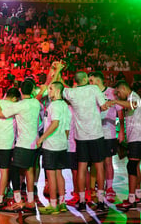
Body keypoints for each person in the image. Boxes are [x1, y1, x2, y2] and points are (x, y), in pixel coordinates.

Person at [58, 68, 109, 211]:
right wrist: (108, 104)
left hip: (80, 137)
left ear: (76, 81)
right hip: (96, 135)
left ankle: (81, 201)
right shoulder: (93, 89)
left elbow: (62, 86)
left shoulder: (71, 92)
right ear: (86, 79)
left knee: (81, 167)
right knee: (99, 167)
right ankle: (100, 201)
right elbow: (104, 106)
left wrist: (58, 72)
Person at [0, 80, 41, 213]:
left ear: (20, 90)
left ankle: (19, 200)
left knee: (13, 170)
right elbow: (39, 96)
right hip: (34, 144)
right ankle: (30, 201)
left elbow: (1, 114)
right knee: (29, 170)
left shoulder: (19, 106)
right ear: (32, 91)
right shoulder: (36, 103)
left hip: (23, 144)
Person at [110, 80, 141, 211]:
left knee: (131, 166)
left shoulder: (134, 97)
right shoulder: (130, 98)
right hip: (135, 138)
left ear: (124, 88)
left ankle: (131, 199)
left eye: (118, 93)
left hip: (138, 138)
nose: (118, 95)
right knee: (135, 166)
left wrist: (115, 102)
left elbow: (133, 105)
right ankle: (138, 195)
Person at [36, 82, 71, 214]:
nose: (48, 91)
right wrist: (63, 140)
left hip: (51, 145)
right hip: (62, 144)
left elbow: (55, 123)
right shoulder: (65, 106)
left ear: (57, 91)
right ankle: (62, 202)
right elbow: (67, 128)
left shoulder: (54, 105)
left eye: (50, 89)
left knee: (51, 175)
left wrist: (42, 138)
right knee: (59, 174)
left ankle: (53, 204)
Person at [88, 71, 120, 203]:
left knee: (108, 162)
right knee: (95, 163)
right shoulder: (90, 93)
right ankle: (95, 187)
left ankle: (110, 188)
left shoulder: (112, 92)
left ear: (98, 80)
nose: (89, 83)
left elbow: (120, 111)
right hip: (94, 133)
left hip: (108, 133)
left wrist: (122, 130)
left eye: (91, 80)